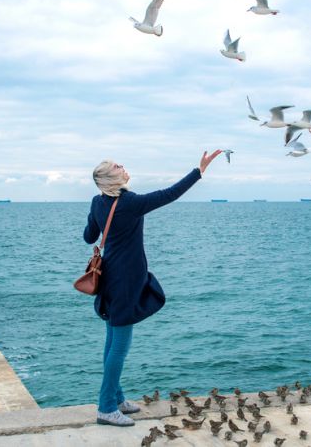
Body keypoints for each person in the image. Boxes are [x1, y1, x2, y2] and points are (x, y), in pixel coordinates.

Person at [84, 150, 221, 426]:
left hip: (110, 279)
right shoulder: (129, 202)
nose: (123, 167)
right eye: (118, 166)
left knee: (111, 341)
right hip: (126, 282)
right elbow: (169, 194)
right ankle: (106, 407)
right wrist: (199, 171)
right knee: (120, 347)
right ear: (112, 177)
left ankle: (117, 397)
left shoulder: (98, 202)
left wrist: (98, 220)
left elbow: (89, 237)